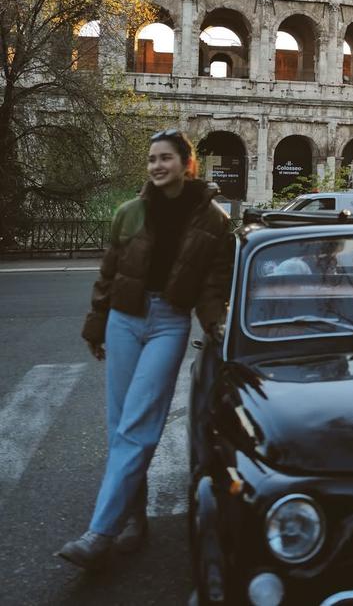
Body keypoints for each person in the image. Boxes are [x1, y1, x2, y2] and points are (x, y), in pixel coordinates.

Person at [57, 130, 233, 569]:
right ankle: (133, 517)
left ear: (186, 163)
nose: (157, 166)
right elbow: (109, 275)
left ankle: (100, 533)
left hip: (169, 324)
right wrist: (96, 325)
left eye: (166, 158)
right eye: (152, 159)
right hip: (123, 320)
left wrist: (217, 326)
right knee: (120, 425)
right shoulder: (129, 213)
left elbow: (213, 287)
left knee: (140, 426)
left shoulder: (214, 221)